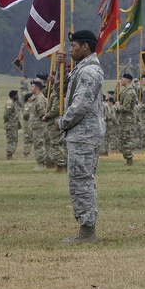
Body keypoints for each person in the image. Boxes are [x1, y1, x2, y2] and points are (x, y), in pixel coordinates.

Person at [57, 30, 106, 244]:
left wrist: (62, 122)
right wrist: (61, 68)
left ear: (85, 47)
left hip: (84, 134)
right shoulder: (82, 69)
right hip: (82, 134)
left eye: (73, 46)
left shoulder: (89, 72)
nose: (70, 50)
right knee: (81, 180)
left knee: (81, 181)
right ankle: (86, 228)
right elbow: (69, 89)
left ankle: (87, 231)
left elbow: (80, 105)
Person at [116, 73, 137, 165]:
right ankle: (127, 158)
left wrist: (117, 107)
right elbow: (118, 97)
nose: (121, 81)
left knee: (127, 139)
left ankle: (129, 159)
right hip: (124, 119)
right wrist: (116, 88)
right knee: (123, 138)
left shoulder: (129, 92)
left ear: (127, 80)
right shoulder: (125, 91)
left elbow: (126, 107)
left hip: (128, 119)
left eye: (122, 79)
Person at [30, 79, 49, 168]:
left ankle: (41, 164)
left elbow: (42, 114)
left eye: (32, 86)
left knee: (39, 144)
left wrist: (42, 118)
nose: (31, 88)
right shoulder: (37, 98)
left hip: (39, 126)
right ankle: (42, 163)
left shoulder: (39, 99)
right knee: (39, 144)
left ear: (37, 88)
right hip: (37, 125)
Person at [3, 90, 21, 160]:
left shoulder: (14, 103)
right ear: (13, 96)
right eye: (16, 95)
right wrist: (8, 121)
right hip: (10, 125)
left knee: (14, 139)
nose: (18, 96)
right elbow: (6, 115)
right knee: (11, 140)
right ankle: (9, 155)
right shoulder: (10, 103)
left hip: (14, 125)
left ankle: (11, 154)